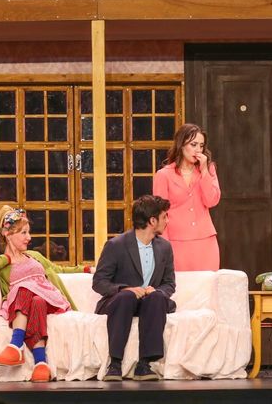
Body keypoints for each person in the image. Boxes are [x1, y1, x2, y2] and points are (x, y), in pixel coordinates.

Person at [0, 205, 83, 382]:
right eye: (23, 233)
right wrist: (7, 258)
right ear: (7, 234)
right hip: (25, 303)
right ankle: (41, 363)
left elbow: (58, 269)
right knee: (34, 299)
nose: (29, 238)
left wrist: (88, 269)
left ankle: (15, 345)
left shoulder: (34, 255)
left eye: (28, 232)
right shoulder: (0, 261)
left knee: (28, 289)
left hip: (50, 300)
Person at [92, 194, 176, 382]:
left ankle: (144, 364)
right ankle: (115, 364)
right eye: (164, 217)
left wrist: (157, 291)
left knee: (157, 297)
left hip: (150, 303)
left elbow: (169, 283)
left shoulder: (165, 247)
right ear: (152, 221)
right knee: (127, 297)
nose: (167, 221)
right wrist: (125, 289)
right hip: (121, 302)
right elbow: (99, 281)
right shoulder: (116, 245)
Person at [153, 123, 222, 271]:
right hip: (176, 244)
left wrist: (204, 171)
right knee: (180, 285)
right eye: (193, 144)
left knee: (207, 284)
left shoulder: (208, 169)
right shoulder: (164, 175)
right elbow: (159, 213)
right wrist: (163, 247)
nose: (198, 150)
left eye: (201, 146)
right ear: (181, 145)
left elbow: (211, 201)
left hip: (205, 243)